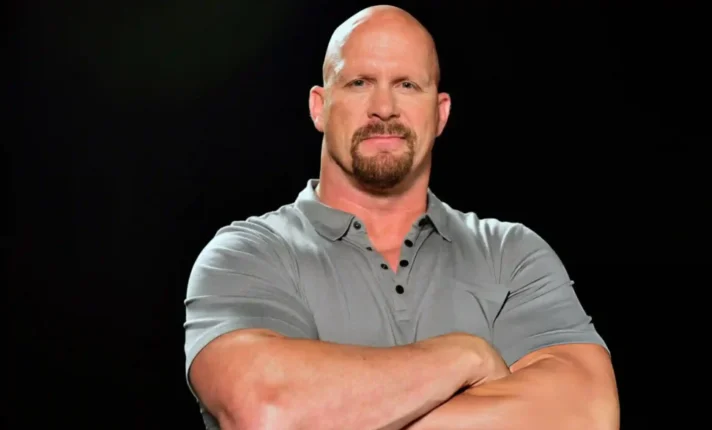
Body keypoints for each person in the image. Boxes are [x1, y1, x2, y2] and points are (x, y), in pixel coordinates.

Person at [183, 5, 619, 429]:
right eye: (359, 82)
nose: (384, 108)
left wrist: (343, 414)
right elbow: (268, 412)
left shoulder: (511, 255)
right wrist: (465, 356)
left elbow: (587, 415)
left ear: (440, 113)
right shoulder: (247, 256)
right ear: (320, 106)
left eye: (407, 85)